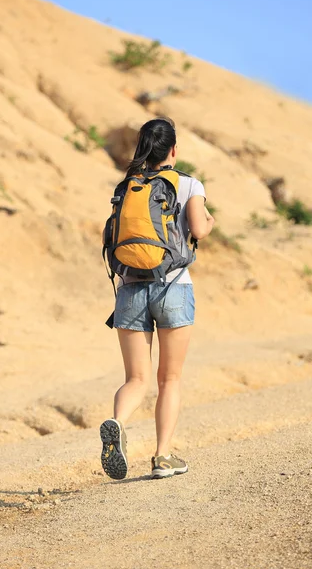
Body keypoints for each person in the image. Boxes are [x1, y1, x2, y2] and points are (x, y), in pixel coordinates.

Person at [100, 117, 214, 480]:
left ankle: (117, 423)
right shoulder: (187, 183)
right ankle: (163, 457)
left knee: (136, 378)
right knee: (170, 379)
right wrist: (209, 221)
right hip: (173, 287)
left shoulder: (127, 186)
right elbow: (198, 229)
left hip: (130, 288)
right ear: (174, 150)